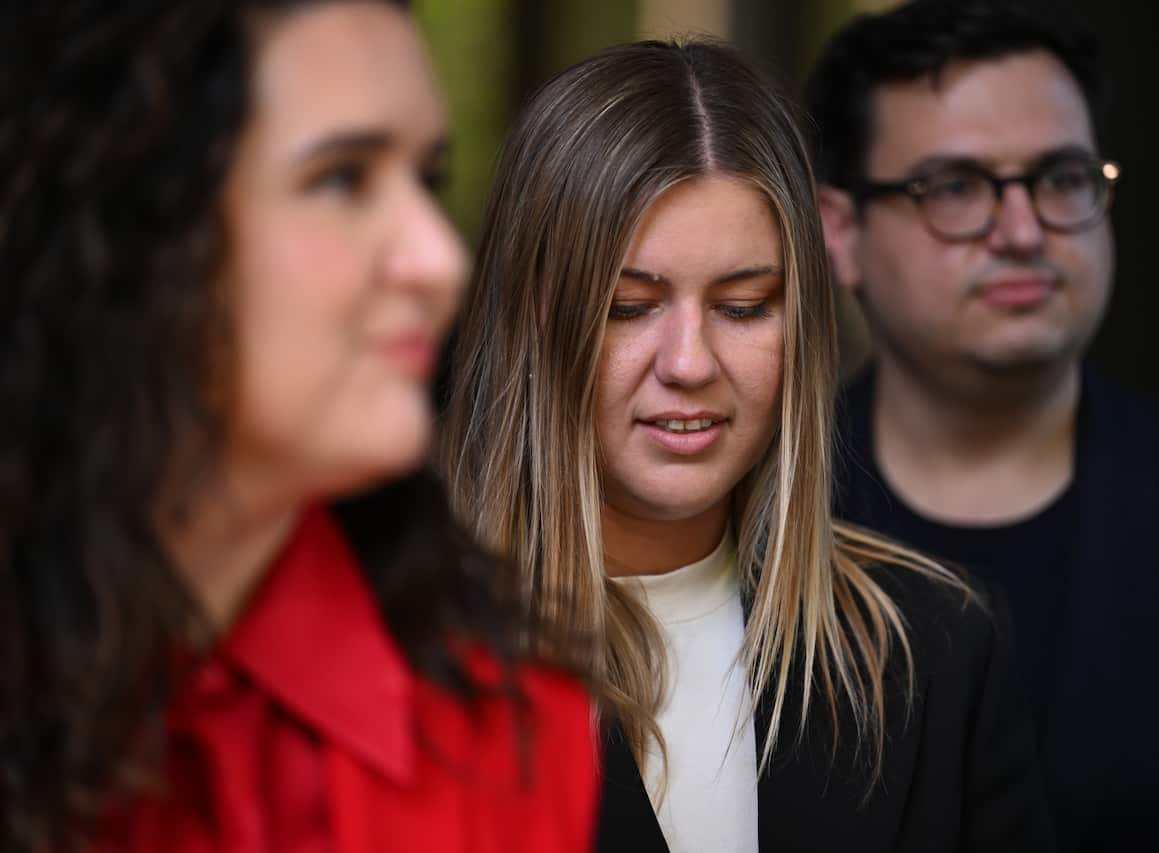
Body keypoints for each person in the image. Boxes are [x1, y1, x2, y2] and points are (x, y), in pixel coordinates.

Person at [0, 2, 597, 850]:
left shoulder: (509, 725)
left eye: (427, 181)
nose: (440, 259)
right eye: (342, 179)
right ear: (135, 230)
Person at [442, 39, 1054, 853]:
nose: (689, 363)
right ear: (531, 320)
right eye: (628, 307)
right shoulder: (395, 660)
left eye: (743, 305)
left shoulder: (934, 653)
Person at [805, 2, 1159, 850]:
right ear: (840, 231)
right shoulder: (754, 530)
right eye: (955, 187)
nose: (1023, 232)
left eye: (1061, 178)